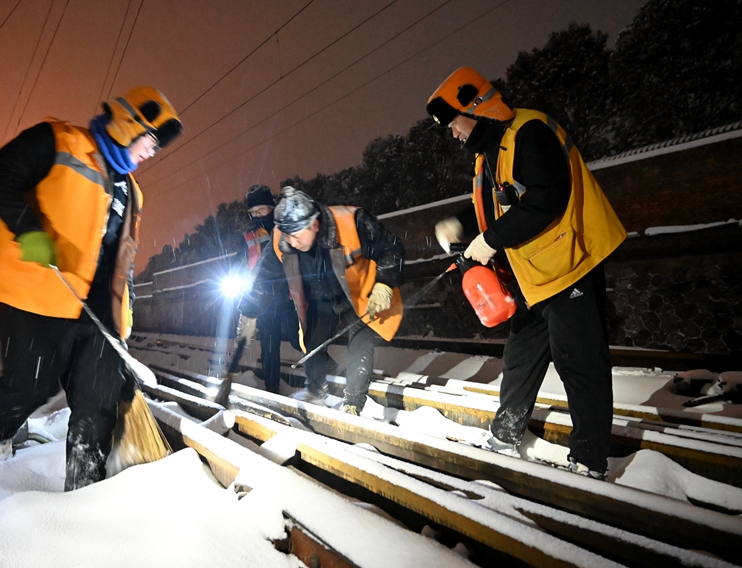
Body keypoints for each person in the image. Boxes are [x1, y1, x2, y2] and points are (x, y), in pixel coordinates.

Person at [0, 86, 182, 490]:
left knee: (98, 403)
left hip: (98, 316)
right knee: (31, 384)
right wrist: (29, 229)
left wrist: (124, 321)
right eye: (150, 140)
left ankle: (82, 493)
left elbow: (124, 259)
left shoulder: (132, 191)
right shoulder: (58, 141)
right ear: (128, 126)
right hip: (37, 296)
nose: (152, 152)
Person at [428, 67, 626, 479]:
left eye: (453, 123)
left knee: (579, 361)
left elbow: (548, 196)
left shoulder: (528, 132)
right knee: (520, 356)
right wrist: (461, 225)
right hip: (534, 273)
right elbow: (498, 201)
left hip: (570, 262)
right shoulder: (489, 156)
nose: (453, 134)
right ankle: (505, 432)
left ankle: (589, 460)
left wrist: (492, 239)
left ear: (476, 108)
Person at [237, 187, 405, 415]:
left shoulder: (352, 223)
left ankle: (353, 403)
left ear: (315, 224)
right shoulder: (282, 239)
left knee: (360, 344)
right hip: (321, 299)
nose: (292, 242)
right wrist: (249, 313)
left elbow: (391, 247)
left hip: (360, 293)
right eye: (287, 236)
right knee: (312, 344)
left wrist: (384, 284)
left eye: (297, 235)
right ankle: (318, 392)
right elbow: (263, 279)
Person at [238, 185, 298, 393]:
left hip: (289, 297)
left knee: (300, 339)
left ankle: (323, 376)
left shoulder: (285, 227)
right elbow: (239, 263)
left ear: (271, 207)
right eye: (252, 212)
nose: (256, 216)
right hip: (263, 301)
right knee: (269, 347)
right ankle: (273, 389)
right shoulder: (247, 236)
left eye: (261, 210)